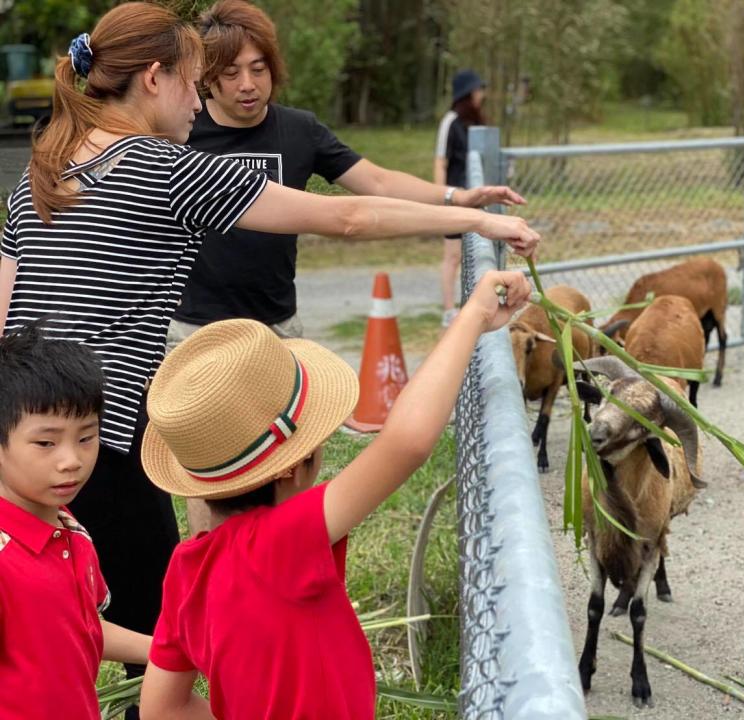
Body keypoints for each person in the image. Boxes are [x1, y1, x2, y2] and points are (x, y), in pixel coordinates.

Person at [0, 1, 538, 705]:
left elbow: (7, 309)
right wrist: (473, 219)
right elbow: (343, 215)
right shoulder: (164, 166)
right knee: (161, 634)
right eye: (196, 81)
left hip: (24, 433)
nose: (201, 99)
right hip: (102, 439)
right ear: (155, 79)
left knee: (57, 619)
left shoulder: (44, 167)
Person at [137, 270, 530, 719]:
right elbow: (407, 442)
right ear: (291, 465)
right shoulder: (283, 541)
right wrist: (474, 315)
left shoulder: (186, 572)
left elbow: (161, 708)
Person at [169, 0, 525, 349]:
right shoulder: (182, 132)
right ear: (208, 77)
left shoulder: (299, 130)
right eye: (231, 73)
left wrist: (457, 197)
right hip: (195, 331)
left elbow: (378, 182)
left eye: (258, 69)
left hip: (278, 328)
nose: (247, 84)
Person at [0, 322, 152, 719]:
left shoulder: (70, 530)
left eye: (86, 437)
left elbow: (79, 629)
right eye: (46, 443)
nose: (72, 460)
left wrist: (168, 651)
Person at [436, 69, 489, 327]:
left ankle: (470, 304)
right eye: (478, 89)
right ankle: (448, 310)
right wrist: (440, 198)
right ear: (467, 93)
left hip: (476, 199)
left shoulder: (476, 122)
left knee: (476, 254)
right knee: (453, 255)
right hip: (453, 198)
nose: (482, 94)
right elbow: (440, 161)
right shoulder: (450, 121)